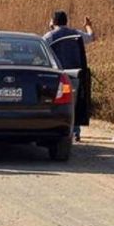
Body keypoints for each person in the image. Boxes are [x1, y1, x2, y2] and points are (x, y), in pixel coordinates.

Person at [43, 11, 96, 142]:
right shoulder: (75, 33)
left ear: (53, 21)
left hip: (59, 76)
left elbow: (42, 49)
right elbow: (91, 37)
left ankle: (61, 130)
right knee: (74, 102)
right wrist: (88, 25)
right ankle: (76, 131)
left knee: (61, 103)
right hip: (76, 73)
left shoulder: (50, 36)